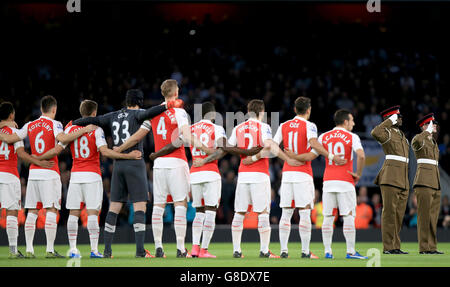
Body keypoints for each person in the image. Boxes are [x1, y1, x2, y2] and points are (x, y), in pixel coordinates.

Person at [72, 89, 178, 258]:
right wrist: (169, 104)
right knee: (140, 206)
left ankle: (107, 251)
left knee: (114, 206)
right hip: (134, 162)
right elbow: (153, 111)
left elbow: (91, 119)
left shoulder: (112, 115)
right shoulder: (138, 114)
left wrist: (77, 122)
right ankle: (140, 251)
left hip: (118, 165)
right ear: (139, 101)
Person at [36, 100, 142, 258]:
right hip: (92, 175)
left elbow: (58, 148)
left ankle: (73, 250)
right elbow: (105, 152)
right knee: (93, 214)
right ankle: (93, 250)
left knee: (73, 213)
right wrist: (128, 155)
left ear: (81, 112)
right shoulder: (96, 129)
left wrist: (38, 158)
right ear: (94, 113)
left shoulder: (70, 129)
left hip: (76, 175)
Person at [114, 80, 208, 258]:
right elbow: (186, 136)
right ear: (176, 92)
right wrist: (205, 148)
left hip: (159, 165)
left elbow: (137, 136)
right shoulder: (179, 112)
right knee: (180, 204)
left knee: (158, 206)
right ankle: (181, 248)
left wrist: (119, 148)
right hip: (177, 162)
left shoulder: (153, 113)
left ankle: (159, 247)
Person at [0, 96, 96, 258]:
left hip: (33, 173)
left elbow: (10, 138)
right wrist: (83, 129)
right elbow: (63, 139)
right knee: (51, 209)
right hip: (49, 171)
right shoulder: (55, 124)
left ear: (41, 109)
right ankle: (50, 250)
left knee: (32, 210)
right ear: (54, 109)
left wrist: (3, 124)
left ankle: (29, 250)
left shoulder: (29, 125)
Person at [226, 99, 303, 259]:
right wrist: (283, 158)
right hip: (259, 174)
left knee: (239, 212)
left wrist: (244, 156)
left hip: (243, 175)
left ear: (248, 111)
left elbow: (230, 147)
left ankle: (236, 250)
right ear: (261, 112)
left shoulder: (238, 127)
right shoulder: (264, 127)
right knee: (263, 212)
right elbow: (269, 145)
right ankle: (264, 250)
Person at [272, 97, 347, 259]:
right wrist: (331, 155)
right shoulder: (309, 126)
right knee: (305, 213)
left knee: (286, 213)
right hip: (303, 174)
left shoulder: (283, 125)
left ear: (294, 109)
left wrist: (287, 159)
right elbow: (313, 145)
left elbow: (271, 145)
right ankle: (305, 251)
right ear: (308, 110)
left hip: (287, 174)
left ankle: (284, 251)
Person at [297, 109, 367, 259]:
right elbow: (361, 155)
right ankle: (351, 252)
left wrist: (293, 156)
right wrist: (359, 174)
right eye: (352, 121)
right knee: (348, 216)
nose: (354, 124)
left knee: (328, 217)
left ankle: (328, 252)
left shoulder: (324, 136)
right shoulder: (352, 136)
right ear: (346, 122)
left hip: (328, 182)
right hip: (345, 181)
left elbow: (310, 155)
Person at [0, 102, 54, 258]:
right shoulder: (14, 132)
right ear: (11, 115)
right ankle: (13, 251)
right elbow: (22, 154)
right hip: (9, 175)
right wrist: (39, 162)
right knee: (11, 212)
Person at [371, 105, 410, 255]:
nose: (400, 119)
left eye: (399, 116)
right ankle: (388, 247)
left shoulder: (402, 136)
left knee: (399, 214)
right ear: (391, 118)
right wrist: (388, 121)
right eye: (397, 116)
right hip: (390, 177)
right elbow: (375, 132)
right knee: (389, 213)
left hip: (403, 178)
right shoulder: (386, 132)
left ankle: (396, 245)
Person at [411, 113, 443, 254]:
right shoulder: (421, 139)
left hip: (435, 182)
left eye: (434, 123)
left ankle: (432, 247)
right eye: (431, 123)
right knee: (424, 216)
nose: (434, 125)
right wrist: (427, 131)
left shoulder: (433, 142)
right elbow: (415, 141)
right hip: (424, 182)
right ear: (424, 126)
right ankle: (424, 248)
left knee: (433, 217)